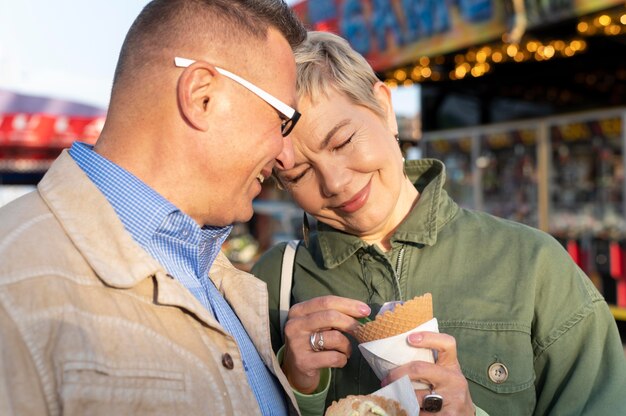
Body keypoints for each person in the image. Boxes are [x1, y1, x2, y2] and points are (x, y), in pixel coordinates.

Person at [251, 31, 626, 415]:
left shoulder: (533, 265)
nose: (335, 182)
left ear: (384, 108)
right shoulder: (272, 285)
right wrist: (296, 387)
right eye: (298, 174)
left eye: (343, 141)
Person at [0, 1, 308, 415]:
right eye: (283, 119)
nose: (286, 154)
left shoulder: (218, 278)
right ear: (202, 97)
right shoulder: (15, 281)